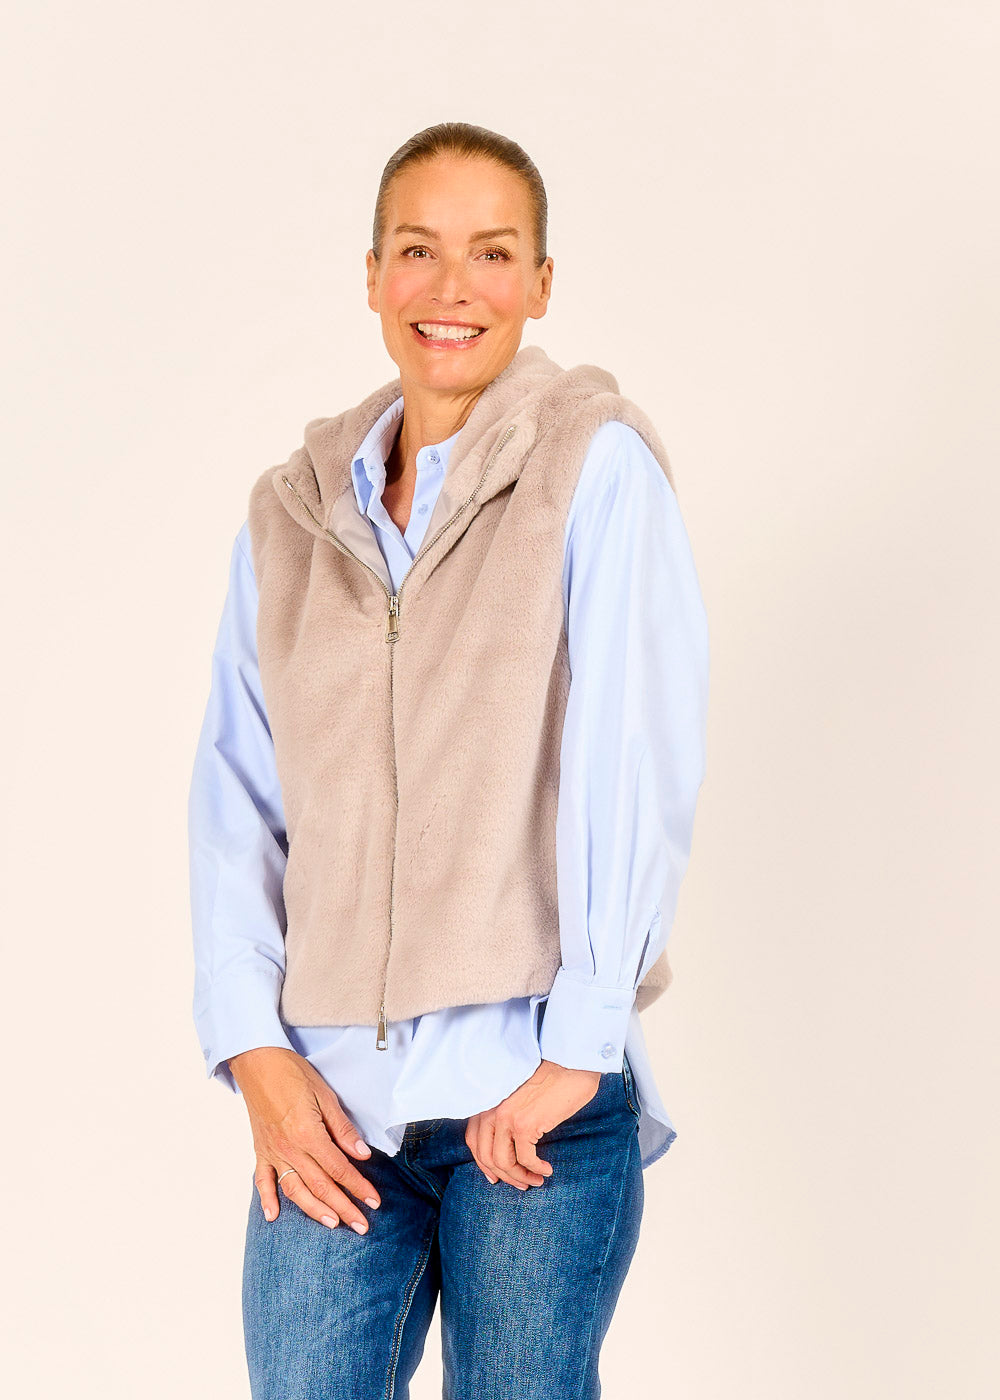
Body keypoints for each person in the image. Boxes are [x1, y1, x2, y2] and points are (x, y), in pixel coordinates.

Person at [188, 121, 709, 1400]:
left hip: (528, 1094)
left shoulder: (594, 467)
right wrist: (253, 1047)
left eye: (493, 252)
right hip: (330, 1106)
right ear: (372, 275)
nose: (452, 286)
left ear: (540, 283)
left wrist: (579, 1042)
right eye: (418, 250)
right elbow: (237, 792)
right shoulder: (289, 516)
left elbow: (632, 752)